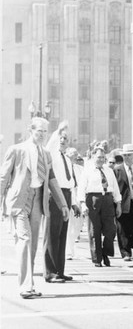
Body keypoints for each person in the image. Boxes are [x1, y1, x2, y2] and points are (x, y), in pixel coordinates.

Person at [0, 117, 70, 298]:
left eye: (45, 132)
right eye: (39, 131)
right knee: (24, 240)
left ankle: (29, 285)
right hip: (19, 201)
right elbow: (3, 178)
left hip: (38, 201)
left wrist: (63, 204)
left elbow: (52, 180)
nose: (42, 135)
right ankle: (24, 287)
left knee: (33, 245)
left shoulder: (46, 154)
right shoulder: (16, 150)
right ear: (30, 130)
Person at [43, 121, 81, 283]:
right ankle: (50, 272)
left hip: (66, 194)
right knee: (52, 233)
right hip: (55, 195)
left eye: (65, 138)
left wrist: (73, 202)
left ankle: (60, 270)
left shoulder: (66, 158)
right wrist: (58, 130)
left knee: (62, 234)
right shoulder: (52, 154)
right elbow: (49, 145)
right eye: (61, 138)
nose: (62, 140)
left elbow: (70, 182)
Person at [78, 147, 122, 267]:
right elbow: (81, 188)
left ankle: (105, 252)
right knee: (94, 230)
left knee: (111, 230)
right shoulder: (87, 171)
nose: (101, 159)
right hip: (93, 200)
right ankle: (97, 258)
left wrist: (118, 203)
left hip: (107, 199)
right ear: (93, 157)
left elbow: (115, 188)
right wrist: (82, 204)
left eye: (103, 157)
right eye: (98, 157)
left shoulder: (109, 170)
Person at [65, 147, 85, 260]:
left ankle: (71, 245)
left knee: (77, 226)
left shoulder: (80, 169)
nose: (74, 156)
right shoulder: (63, 169)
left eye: (75, 154)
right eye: (72, 154)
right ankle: (68, 250)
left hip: (78, 197)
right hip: (68, 196)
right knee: (68, 225)